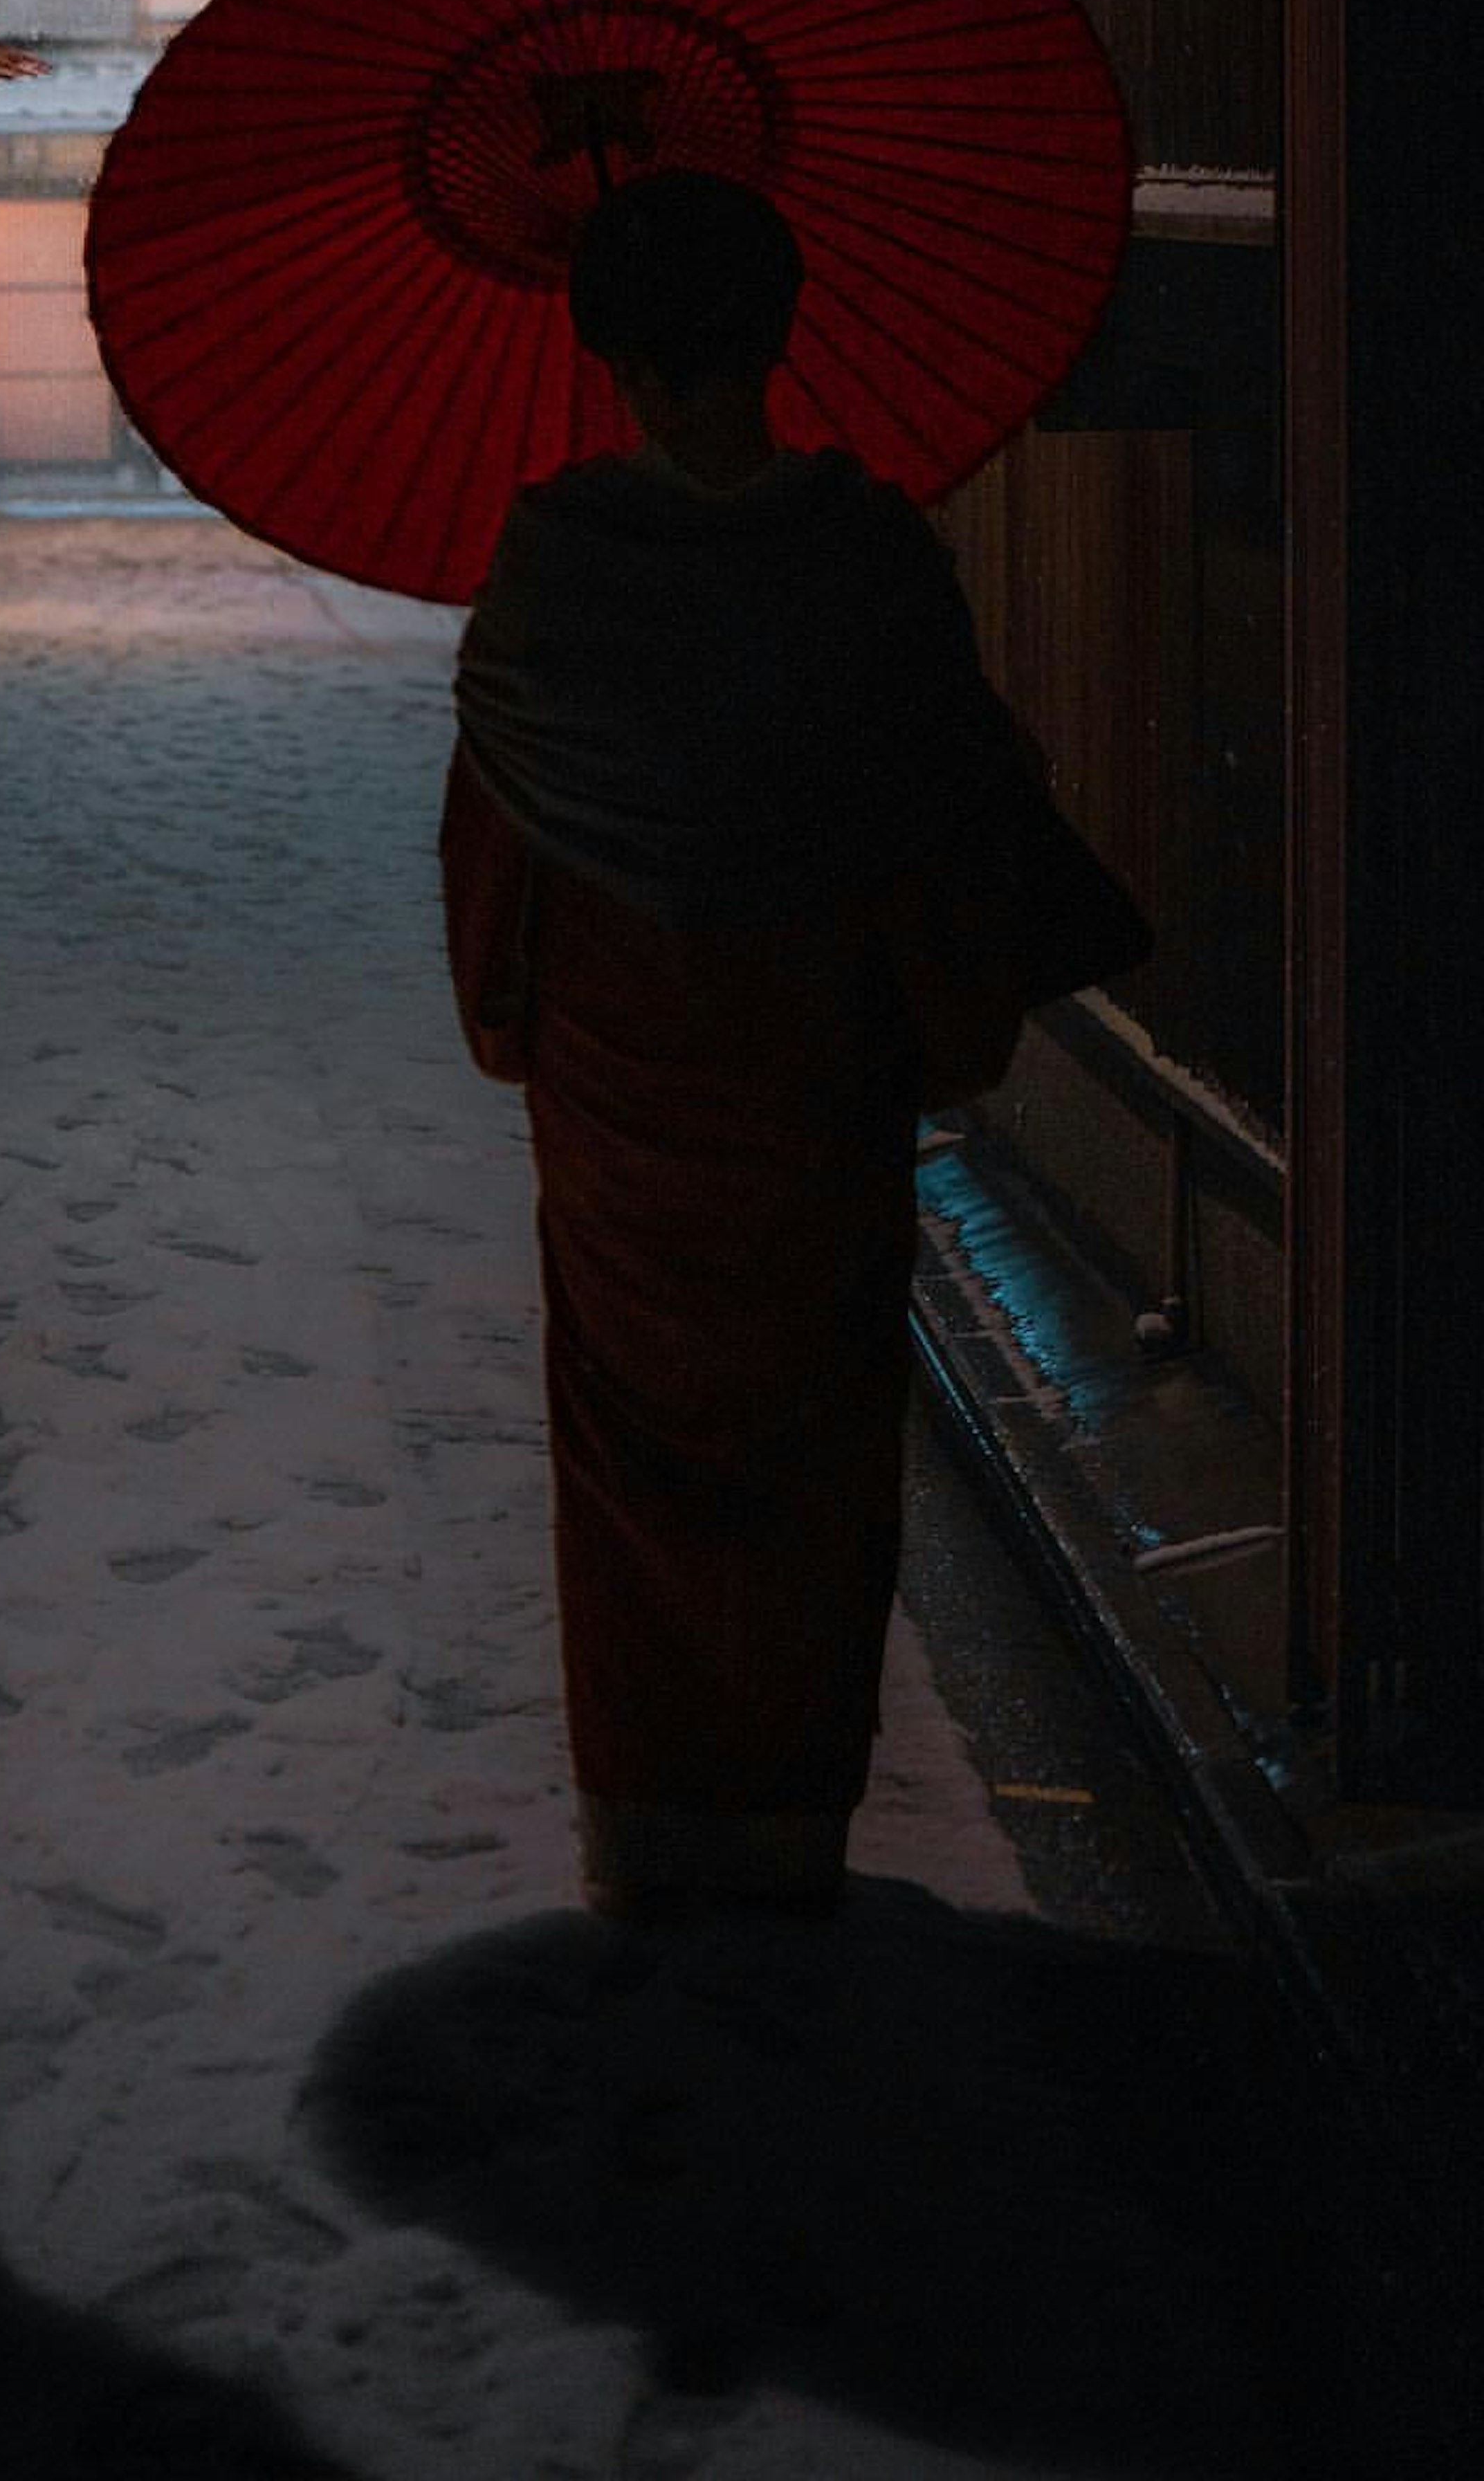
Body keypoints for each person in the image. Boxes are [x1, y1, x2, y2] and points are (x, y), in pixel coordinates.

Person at [442, 169, 1029, 1921]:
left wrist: (512, 1018)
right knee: (821, 1445)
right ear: (781, 333)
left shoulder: (559, 557)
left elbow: (495, 847)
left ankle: (645, 1826)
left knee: (629, 1462)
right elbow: (956, 816)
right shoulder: (870, 556)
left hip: (624, 1089)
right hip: (818, 1075)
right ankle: (792, 1829)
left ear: (605, 347)